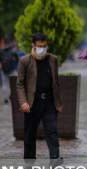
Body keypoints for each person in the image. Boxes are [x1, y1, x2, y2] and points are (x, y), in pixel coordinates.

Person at [16, 33, 63, 162]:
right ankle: (29, 161)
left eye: (44, 46)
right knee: (30, 134)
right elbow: (19, 83)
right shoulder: (25, 61)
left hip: (49, 102)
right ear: (33, 45)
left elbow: (56, 82)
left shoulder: (52, 59)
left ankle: (55, 158)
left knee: (52, 131)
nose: (42, 48)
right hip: (32, 103)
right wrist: (23, 102)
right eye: (39, 46)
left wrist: (58, 103)